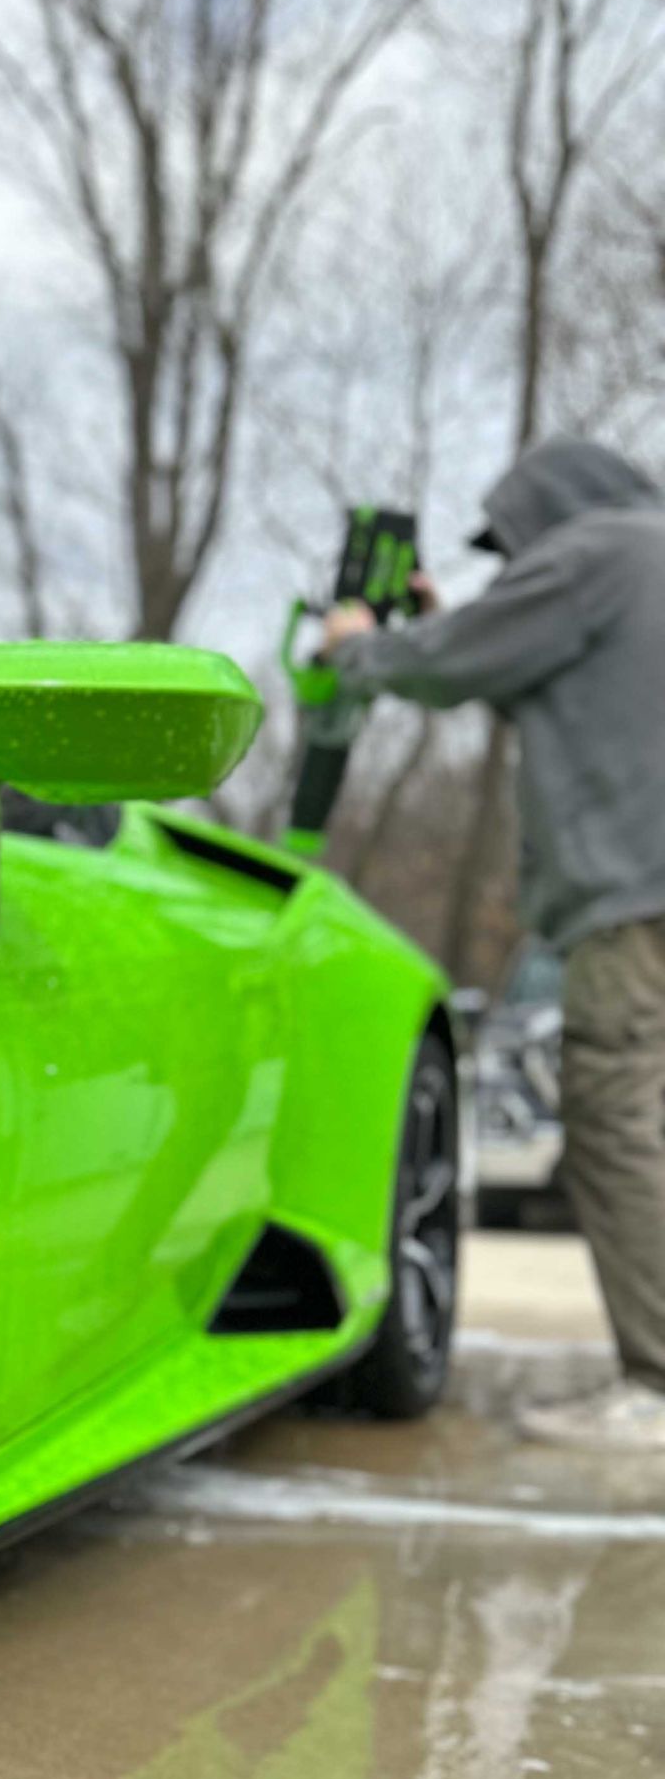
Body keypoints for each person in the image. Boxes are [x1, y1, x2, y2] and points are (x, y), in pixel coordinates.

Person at [320, 436, 665, 1452]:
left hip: (634, 899)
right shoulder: (644, 562)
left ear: (547, 510)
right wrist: (455, 626)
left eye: (513, 548)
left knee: (615, 1117)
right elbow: (530, 670)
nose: (514, 566)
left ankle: (658, 1383)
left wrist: (355, 646)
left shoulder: (593, 549)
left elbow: (446, 664)